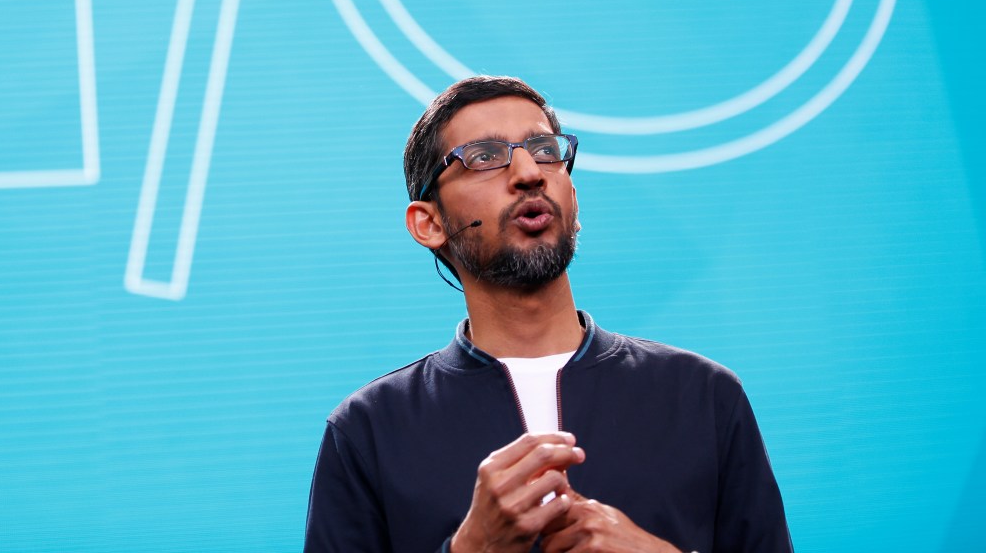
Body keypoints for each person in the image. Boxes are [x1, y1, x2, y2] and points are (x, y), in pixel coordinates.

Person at [303, 76, 792, 553]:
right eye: (484, 157)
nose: (530, 173)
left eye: (544, 150)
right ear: (428, 223)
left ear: (573, 203)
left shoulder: (704, 396)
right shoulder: (368, 430)